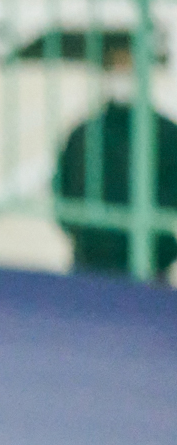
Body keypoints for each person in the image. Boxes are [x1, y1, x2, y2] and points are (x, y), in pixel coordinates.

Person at [53, 45, 177, 280]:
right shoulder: (84, 134)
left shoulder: (167, 134)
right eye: (116, 68)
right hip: (90, 262)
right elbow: (62, 190)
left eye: (128, 69)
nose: (122, 76)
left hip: (152, 264)